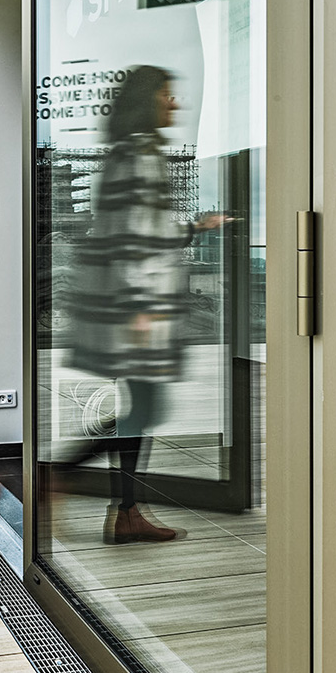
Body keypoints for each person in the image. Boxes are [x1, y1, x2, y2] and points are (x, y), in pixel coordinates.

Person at [69, 65, 225, 544]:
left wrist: (195, 228)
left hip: (129, 303)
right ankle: (61, 477)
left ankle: (127, 511)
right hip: (138, 307)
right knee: (146, 406)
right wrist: (139, 309)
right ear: (147, 99)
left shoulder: (127, 152)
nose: (173, 104)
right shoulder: (141, 154)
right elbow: (133, 239)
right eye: (166, 94)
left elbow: (139, 229)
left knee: (142, 406)